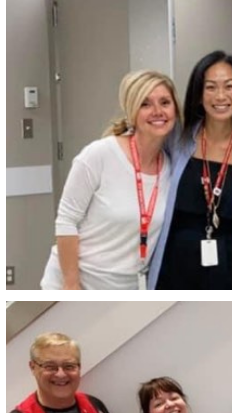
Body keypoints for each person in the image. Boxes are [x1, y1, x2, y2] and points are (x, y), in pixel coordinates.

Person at [40, 70, 180, 290]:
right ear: (132, 111)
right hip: (77, 285)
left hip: (128, 288)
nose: (157, 111)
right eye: (145, 104)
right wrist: (71, 285)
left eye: (165, 102)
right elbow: (66, 221)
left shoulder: (171, 168)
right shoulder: (99, 155)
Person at [150, 51, 232, 290]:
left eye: (229, 86)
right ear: (199, 95)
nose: (220, 96)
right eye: (210, 87)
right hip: (175, 269)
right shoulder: (176, 140)